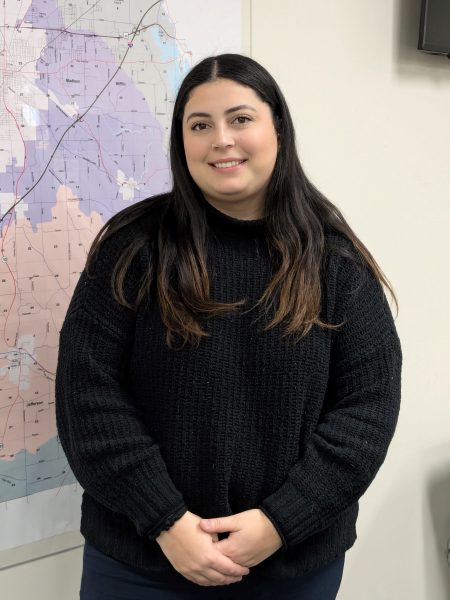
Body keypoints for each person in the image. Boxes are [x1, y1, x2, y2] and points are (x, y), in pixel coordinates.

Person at [55, 53, 402, 600]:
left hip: (292, 566)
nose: (221, 139)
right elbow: (87, 395)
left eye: (240, 119)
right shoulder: (132, 247)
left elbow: (367, 411)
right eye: (200, 125)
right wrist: (165, 520)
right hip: (140, 563)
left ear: (278, 130)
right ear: (182, 141)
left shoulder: (335, 262)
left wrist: (279, 523)